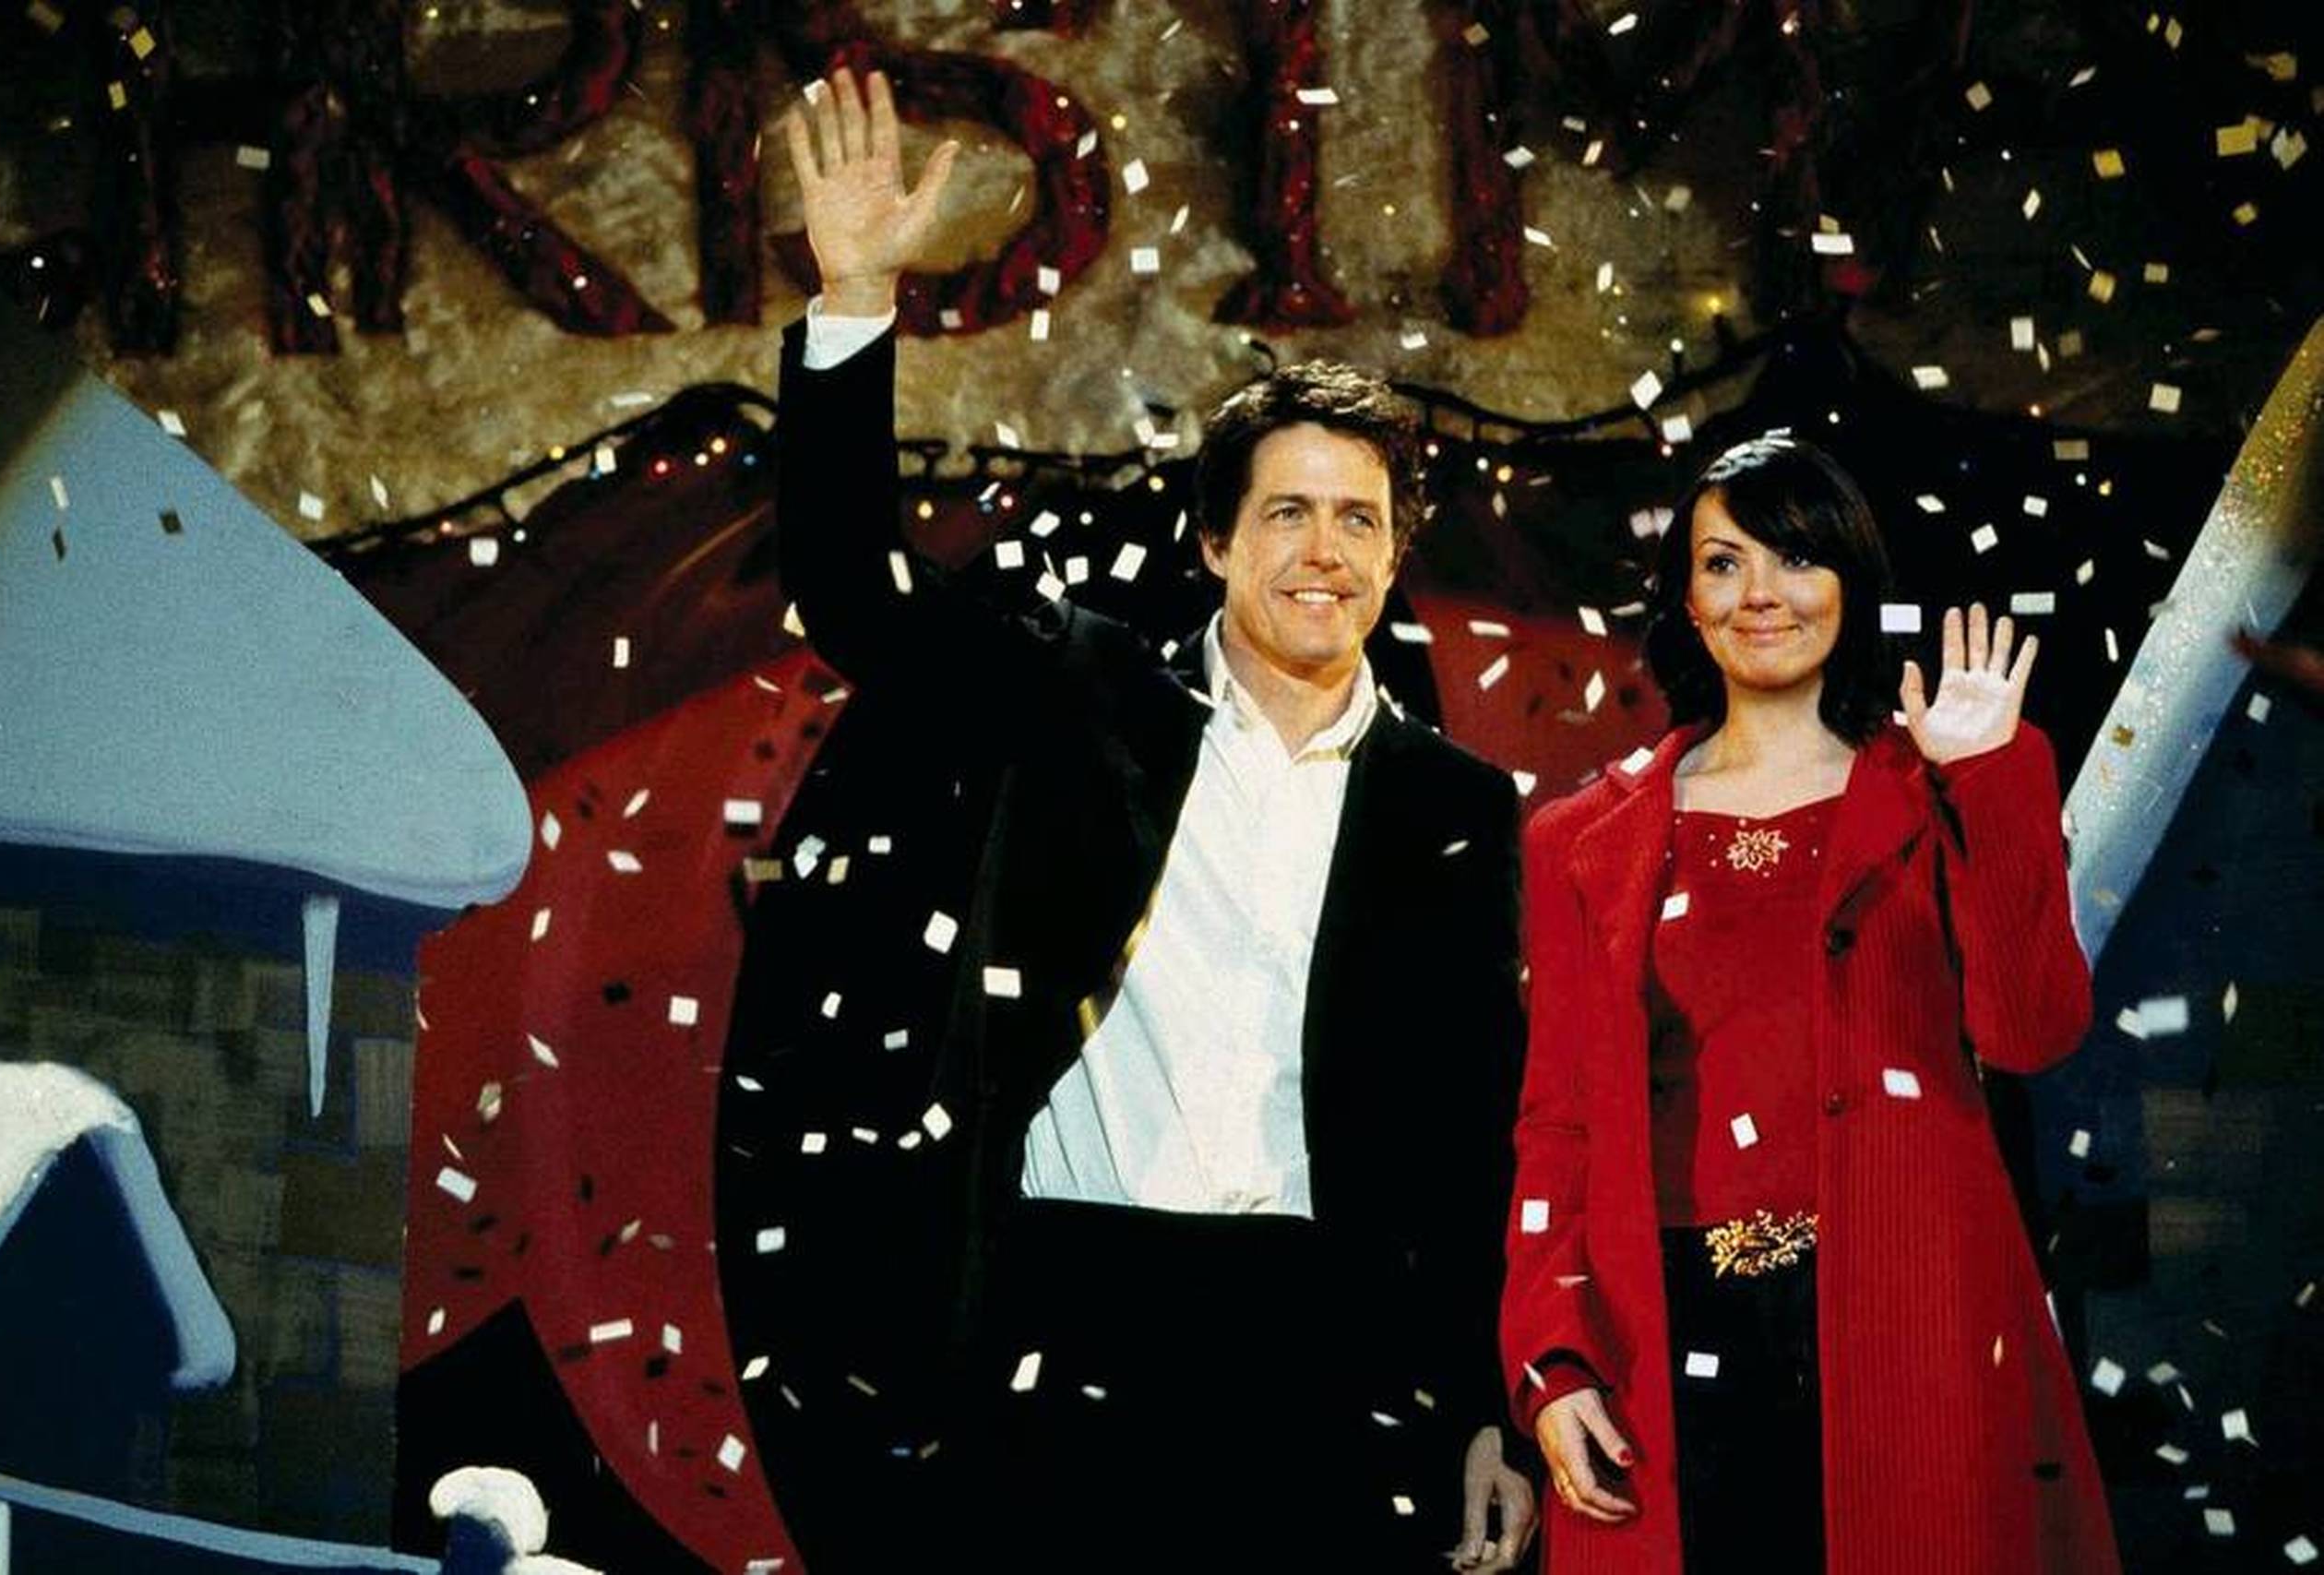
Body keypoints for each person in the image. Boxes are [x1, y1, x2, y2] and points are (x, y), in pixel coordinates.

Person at [732, 67, 1535, 1572]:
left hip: (1322, 1340)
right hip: (1066, 1306)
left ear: (1393, 557)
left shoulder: (1456, 807)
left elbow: (1467, 1132)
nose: (1322, 550)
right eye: (1285, 512)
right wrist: (853, 299)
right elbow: (854, 593)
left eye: (1357, 519)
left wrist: (1478, 1402)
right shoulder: (1081, 696)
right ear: (1216, 541)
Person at [1498, 435, 2121, 1573]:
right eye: (1723, 562)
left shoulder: (1943, 780)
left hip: (1911, 1314)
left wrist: (1984, 776)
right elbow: (1558, 1125)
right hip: (1668, 1334)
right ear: (1685, 599)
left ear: (1850, 580)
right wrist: (1552, 1357)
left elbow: (2032, 1033)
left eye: (1795, 557)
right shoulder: (1582, 839)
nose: (1761, 594)